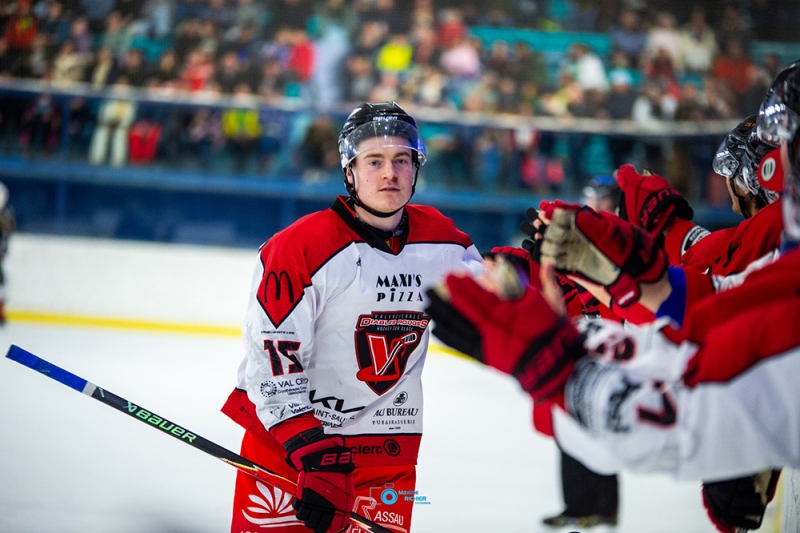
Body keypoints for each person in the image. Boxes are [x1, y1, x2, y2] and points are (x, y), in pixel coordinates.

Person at [221, 102, 484, 533]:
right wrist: (309, 447)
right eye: (374, 161)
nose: (390, 173)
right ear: (350, 170)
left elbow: (499, 301)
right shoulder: (300, 247)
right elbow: (271, 358)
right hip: (291, 451)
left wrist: (558, 282)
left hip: (385, 456)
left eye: (402, 160)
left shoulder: (443, 242)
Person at [0, 181, 15, 324]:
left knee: (4, 283)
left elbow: (7, 233)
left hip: (2, 256)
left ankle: (1, 310)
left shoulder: (6, 214)